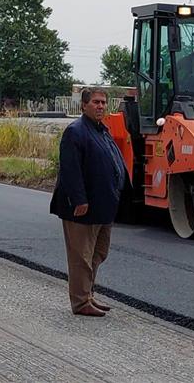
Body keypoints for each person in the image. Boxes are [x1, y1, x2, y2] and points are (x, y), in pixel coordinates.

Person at [49, 88, 128, 317]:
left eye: (103, 102)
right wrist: (79, 199)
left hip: (103, 206)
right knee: (80, 256)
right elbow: (70, 170)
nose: (101, 106)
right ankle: (81, 302)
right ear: (84, 105)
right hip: (82, 208)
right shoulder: (76, 132)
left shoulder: (102, 130)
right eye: (96, 102)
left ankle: (88, 295)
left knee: (97, 253)